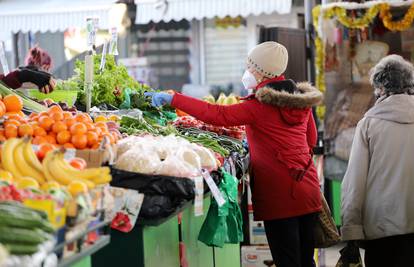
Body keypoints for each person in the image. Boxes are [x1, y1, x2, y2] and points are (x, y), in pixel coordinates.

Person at [146, 41, 323, 267]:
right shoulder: (301, 103)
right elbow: (310, 140)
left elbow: (217, 114)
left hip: (279, 194)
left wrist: (174, 99)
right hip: (307, 189)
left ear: (260, 72)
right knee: (306, 260)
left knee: (287, 261)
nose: (247, 71)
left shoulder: (259, 106)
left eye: (250, 66)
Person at [341, 55, 414, 267]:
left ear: (379, 88)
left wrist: (351, 230)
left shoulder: (369, 124)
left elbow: (355, 183)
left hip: (383, 229)